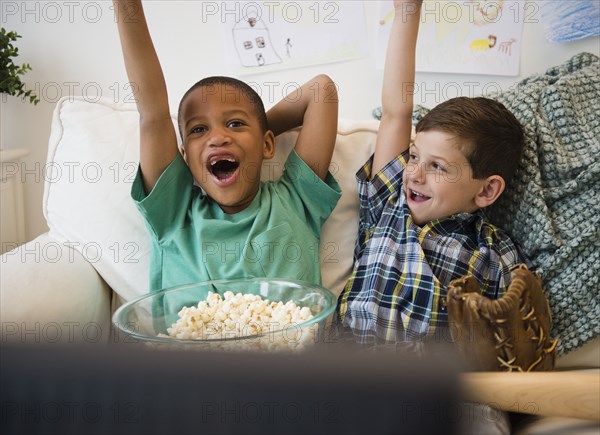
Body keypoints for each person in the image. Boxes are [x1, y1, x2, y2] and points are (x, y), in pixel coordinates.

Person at [336, 0, 532, 345]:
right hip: (354, 378)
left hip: (438, 390)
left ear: (486, 191)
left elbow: (512, 341)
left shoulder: (495, 253)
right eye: (414, 156)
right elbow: (397, 111)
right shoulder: (390, 206)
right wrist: (406, 12)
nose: (414, 174)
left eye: (438, 166)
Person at [112, 0, 341, 292]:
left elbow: (321, 90)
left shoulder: (297, 201)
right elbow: (153, 114)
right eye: (198, 129)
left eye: (234, 124)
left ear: (268, 144)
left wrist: (255, 135)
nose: (217, 137)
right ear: (184, 159)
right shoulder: (174, 214)